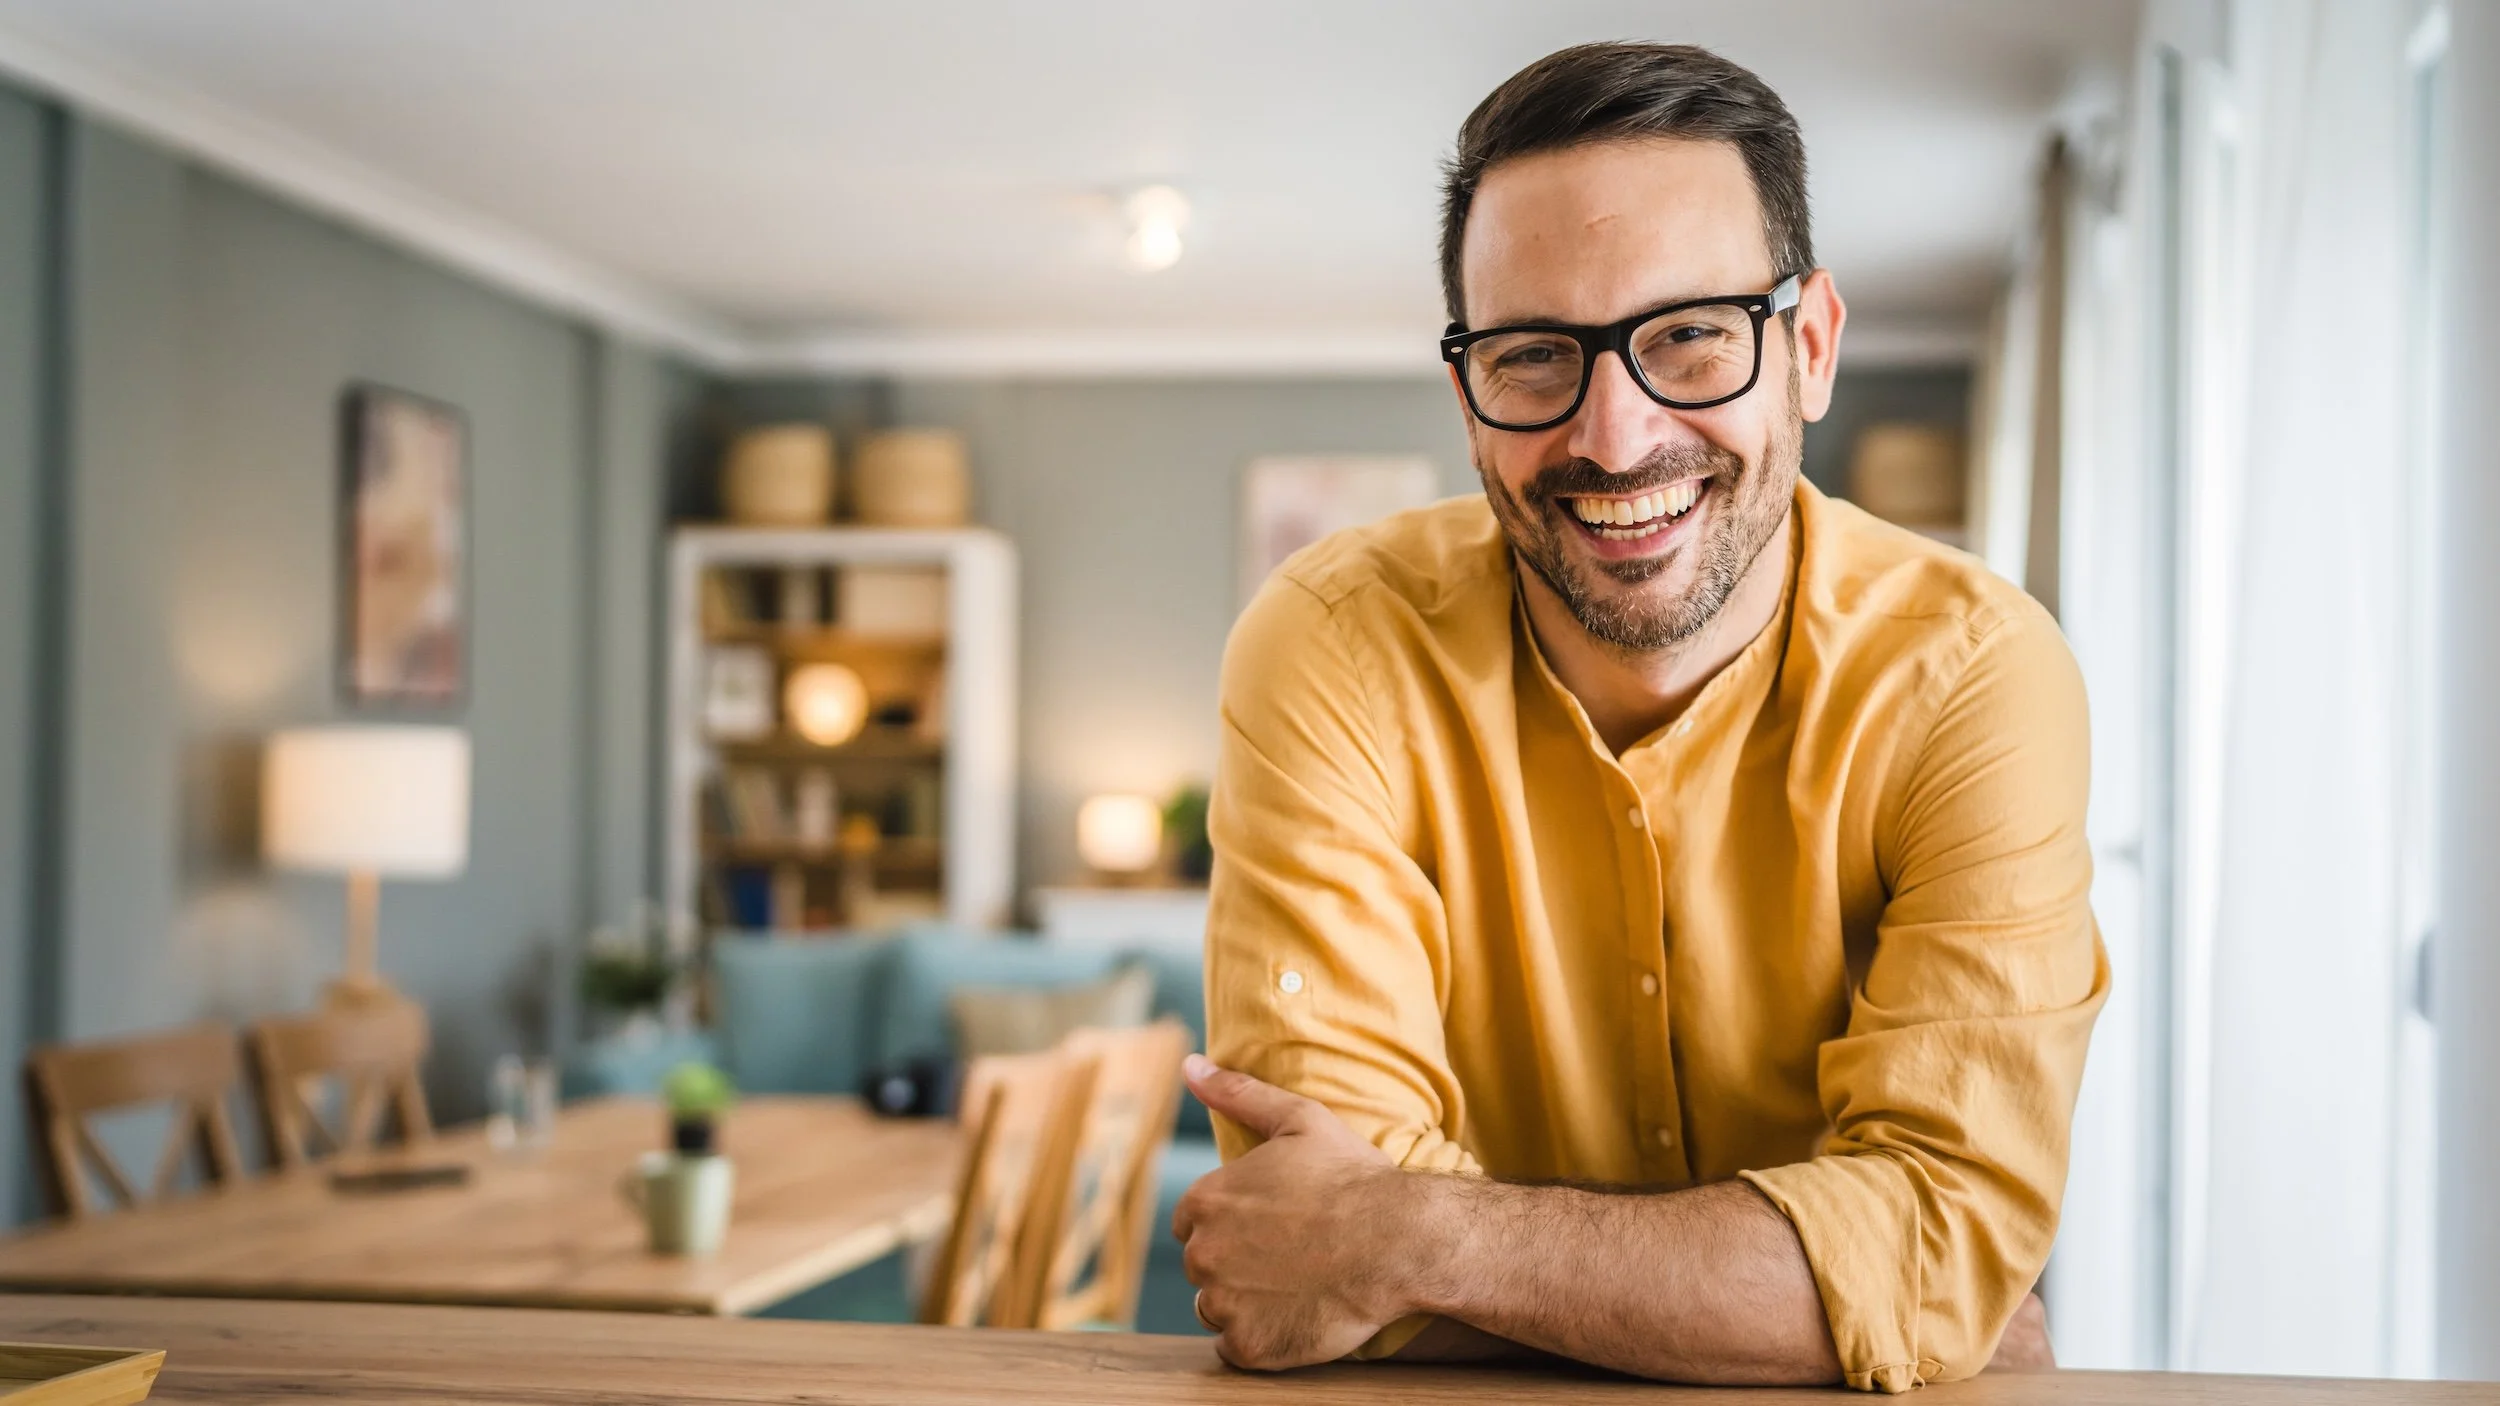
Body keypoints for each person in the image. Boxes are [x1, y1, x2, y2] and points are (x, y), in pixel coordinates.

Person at [1169, 40, 2106, 1393]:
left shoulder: (1976, 676)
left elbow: (1939, 1248)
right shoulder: (1331, 647)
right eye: (1535, 355)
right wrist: (1840, 1303)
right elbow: (1302, 1250)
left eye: (1687, 337)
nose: (1613, 434)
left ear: (1813, 346)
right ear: (1467, 396)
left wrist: (1411, 1237)